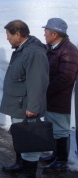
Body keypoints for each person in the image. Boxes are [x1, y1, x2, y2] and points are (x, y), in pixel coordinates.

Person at [0, 20, 49, 177]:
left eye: (8, 35)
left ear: (18, 34)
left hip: (26, 106)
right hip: (18, 104)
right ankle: (20, 164)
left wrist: (33, 108)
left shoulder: (34, 52)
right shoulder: (22, 49)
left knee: (29, 140)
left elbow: (37, 83)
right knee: (20, 135)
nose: (7, 38)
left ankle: (29, 172)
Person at [39, 18, 78, 173]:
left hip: (61, 99)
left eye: (46, 31)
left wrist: (46, 89)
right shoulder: (53, 48)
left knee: (61, 129)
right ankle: (55, 155)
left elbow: (66, 77)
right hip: (51, 97)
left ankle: (61, 161)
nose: (44, 34)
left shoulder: (69, 50)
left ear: (54, 34)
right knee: (53, 127)